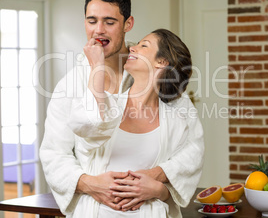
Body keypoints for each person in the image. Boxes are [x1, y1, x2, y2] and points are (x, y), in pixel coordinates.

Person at [39, 0, 204, 217]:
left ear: (128, 24)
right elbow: (54, 153)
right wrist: (91, 184)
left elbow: (192, 147)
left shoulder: (158, 81)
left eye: (109, 21)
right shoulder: (70, 86)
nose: (98, 30)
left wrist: (153, 178)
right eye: (91, 20)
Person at [70, 28, 196, 217]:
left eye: (143, 45)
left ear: (161, 62)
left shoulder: (175, 123)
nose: (132, 48)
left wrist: (158, 191)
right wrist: (97, 65)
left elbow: (178, 180)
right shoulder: (106, 105)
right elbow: (88, 125)